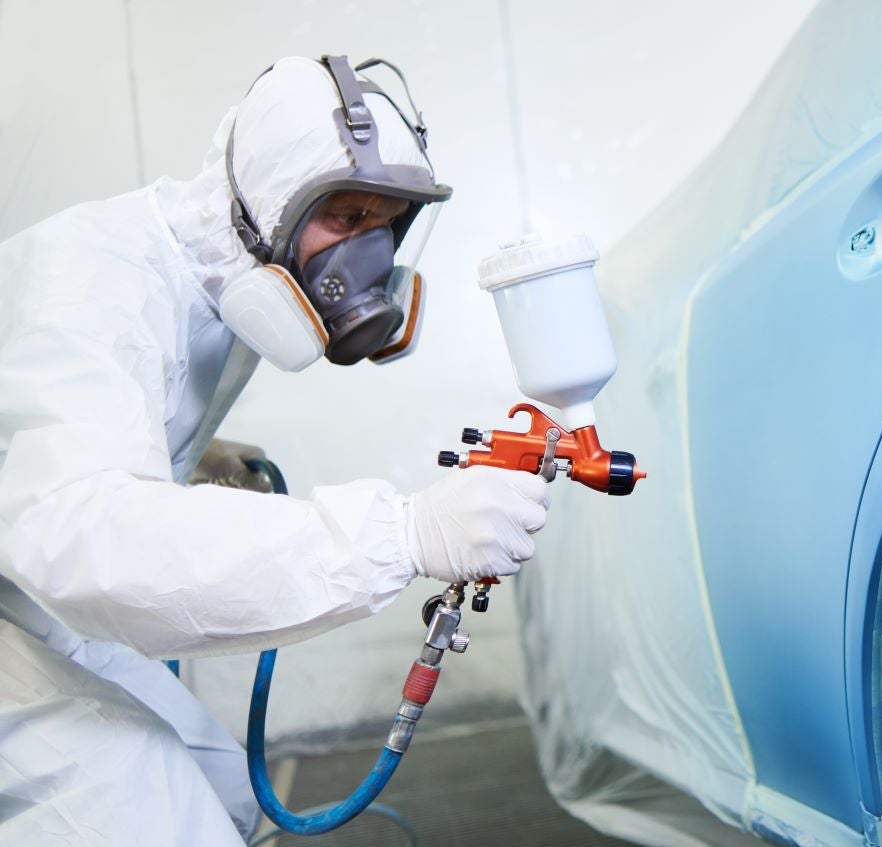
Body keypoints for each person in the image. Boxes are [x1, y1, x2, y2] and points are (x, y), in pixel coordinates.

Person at [0, 56, 549, 845]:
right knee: (151, 812)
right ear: (258, 209)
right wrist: (401, 535)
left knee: (229, 796)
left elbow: (55, 420)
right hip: (31, 595)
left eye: (383, 221)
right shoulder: (95, 279)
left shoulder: (220, 275)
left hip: (33, 598)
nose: (362, 258)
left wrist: (196, 449)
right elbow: (86, 539)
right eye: (343, 216)